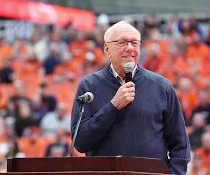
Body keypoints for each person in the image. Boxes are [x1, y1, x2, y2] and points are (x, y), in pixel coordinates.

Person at [71, 21, 191, 175]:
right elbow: (80, 142)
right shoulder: (89, 86)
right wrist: (113, 106)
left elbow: (180, 145)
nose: (129, 48)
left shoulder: (162, 87)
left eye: (134, 42)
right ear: (107, 49)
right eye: (122, 42)